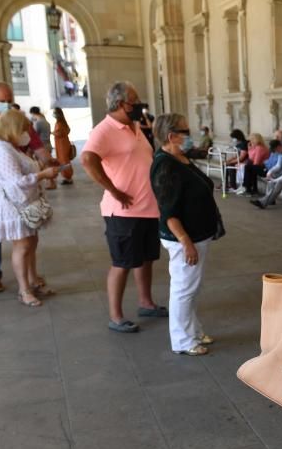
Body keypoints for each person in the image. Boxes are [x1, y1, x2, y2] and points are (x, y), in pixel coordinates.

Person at [81, 81, 165, 333]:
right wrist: (113, 190)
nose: (139, 106)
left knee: (146, 259)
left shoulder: (135, 127)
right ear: (120, 104)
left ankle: (146, 302)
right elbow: (87, 159)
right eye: (134, 101)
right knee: (123, 263)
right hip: (123, 211)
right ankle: (116, 316)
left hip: (148, 207)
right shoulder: (104, 129)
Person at [0, 81, 55, 293]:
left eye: (9, 100)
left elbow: (37, 146)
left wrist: (49, 160)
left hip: (23, 188)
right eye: (2, 101)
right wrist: (0, 162)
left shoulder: (17, 120)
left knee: (28, 238)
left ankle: (31, 279)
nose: (7, 104)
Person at [150, 113, 224, 356]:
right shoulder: (165, 165)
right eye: (185, 131)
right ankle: (182, 340)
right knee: (183, 288)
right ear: (172, 136)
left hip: (198, 234)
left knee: (192, 287)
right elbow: (168, 212)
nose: (189, 135)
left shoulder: (179, 157)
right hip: (184, 238)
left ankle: (192, 330)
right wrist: (185, 242)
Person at [0, 109, 60, 307]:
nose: (27, 134)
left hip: (26, 202)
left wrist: (43, 168)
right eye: (24, 129)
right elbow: (15, 182)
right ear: (13, 129)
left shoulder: (12, 147)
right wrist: (43, 175)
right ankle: (24, 289)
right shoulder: (1, 149)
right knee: (22, 246)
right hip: (14, 206)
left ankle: (34, 280)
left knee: (31, 243)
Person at [250, 139, 282, 209]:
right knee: (273, 178)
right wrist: (270, 172)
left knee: (279, 182)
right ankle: (268, 200)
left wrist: (274, 179)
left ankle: (264, 202)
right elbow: (278, 166)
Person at [28, 107, 55, 190]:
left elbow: (34, 136)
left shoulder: (38, 123)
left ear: (33, 113)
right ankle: (51, 183)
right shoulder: (46, 121)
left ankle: (50, 183)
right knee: (47, 165)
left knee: (42, 166)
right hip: (48, 144)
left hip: (41, 147)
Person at [52, 107, 73, 185]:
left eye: (54, 112)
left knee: (63, 160)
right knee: (63, 160)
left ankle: (68, 177)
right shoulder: (62, 122)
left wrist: (53, 133)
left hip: (62, 145)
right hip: (62, 143)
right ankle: (67, 177)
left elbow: (59, 133)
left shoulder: (60, 123)